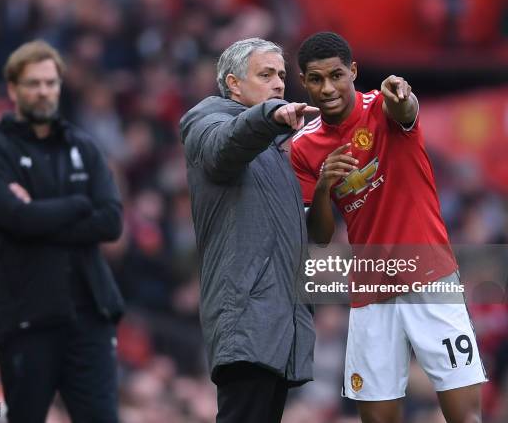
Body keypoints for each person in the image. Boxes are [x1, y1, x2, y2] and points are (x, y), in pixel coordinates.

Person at [291, 32, 487, 423]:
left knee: (464, 415)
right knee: (377, 419)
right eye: (316, 79)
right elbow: (320, 235)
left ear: (354, 72)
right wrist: (326, 184)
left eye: (336, 75)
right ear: (304, 82)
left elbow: (407, 111)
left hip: (431, 278)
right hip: (371, 291)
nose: (327, 88)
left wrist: (404, 98)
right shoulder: (304, 147)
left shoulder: (383, 106)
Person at [0, 40, 124, 423]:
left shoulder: (83, 146)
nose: (43, 91)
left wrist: (36, 213)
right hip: (27, 317)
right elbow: (14, 218)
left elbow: (110, 221)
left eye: (50, 83)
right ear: (13, 89)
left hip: (89, 315)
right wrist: (76, 204)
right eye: (33, 83)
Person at [179, 37, 317, 423]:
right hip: (246, 316)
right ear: (233, 83)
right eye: (266, 74)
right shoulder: (205, 118)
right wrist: (268, 117)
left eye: (282, 76)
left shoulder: (276, 148)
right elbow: (224, 147)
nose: (278, 84)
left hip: (275, 320)